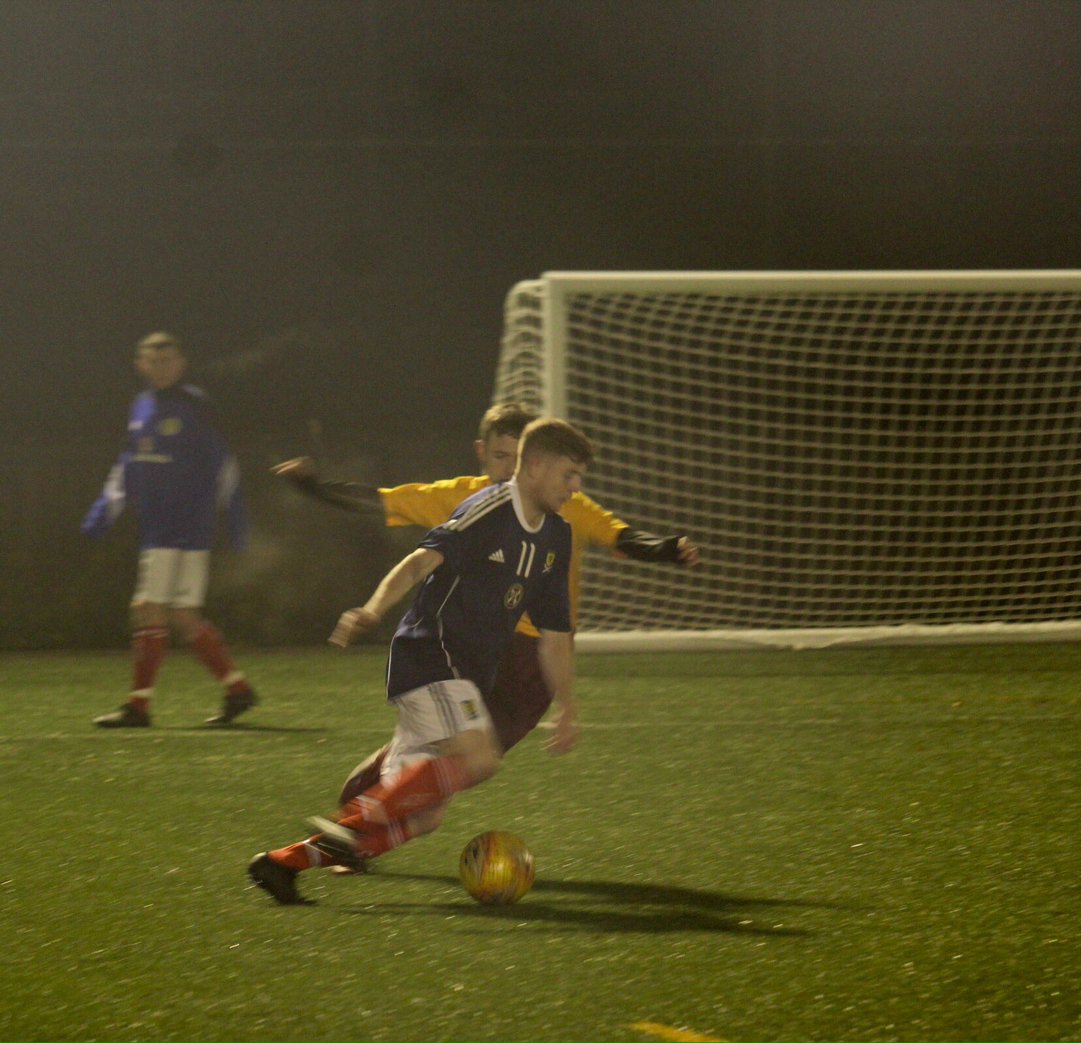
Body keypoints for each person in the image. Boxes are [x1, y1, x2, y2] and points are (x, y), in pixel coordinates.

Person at [272, 402, 699, 806]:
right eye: (499, 457)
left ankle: (373, 797)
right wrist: (316, 487)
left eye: (518, 459)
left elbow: (619, 536)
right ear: (481, 452)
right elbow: (385, 502)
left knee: (466, 757)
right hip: (471, 642)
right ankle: (362, 819)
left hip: (532, 660)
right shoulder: (468, 499)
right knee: (467, 758)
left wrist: (667, 549)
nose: (509, 470)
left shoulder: (569, 508)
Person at [248, 418, 592, 905]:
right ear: (534, 467)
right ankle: (363, 816)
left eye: (580, 478)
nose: (575, 488)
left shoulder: (556, 537)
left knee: (426, 817)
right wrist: (372, 608)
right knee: (480, 758)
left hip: (464, 676)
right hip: (431, 654)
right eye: (568, 475)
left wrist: (570, 708)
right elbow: (419, 562)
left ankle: (284, 863)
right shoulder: (489, 509)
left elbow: (555, 636)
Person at [82, 331, 257, 728]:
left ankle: (139, 708)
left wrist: (235, 519)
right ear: (140, 365)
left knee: (147, 609)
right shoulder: (141, 405)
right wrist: (103, 510)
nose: (160, 367)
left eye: (167, 360)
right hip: (161, 526)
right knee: (182, 616)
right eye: (152, 360)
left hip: (179, 526)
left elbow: (223, 464)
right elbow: (129, 463)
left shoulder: (194, 405)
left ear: (181, 364)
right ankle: (238, 689)